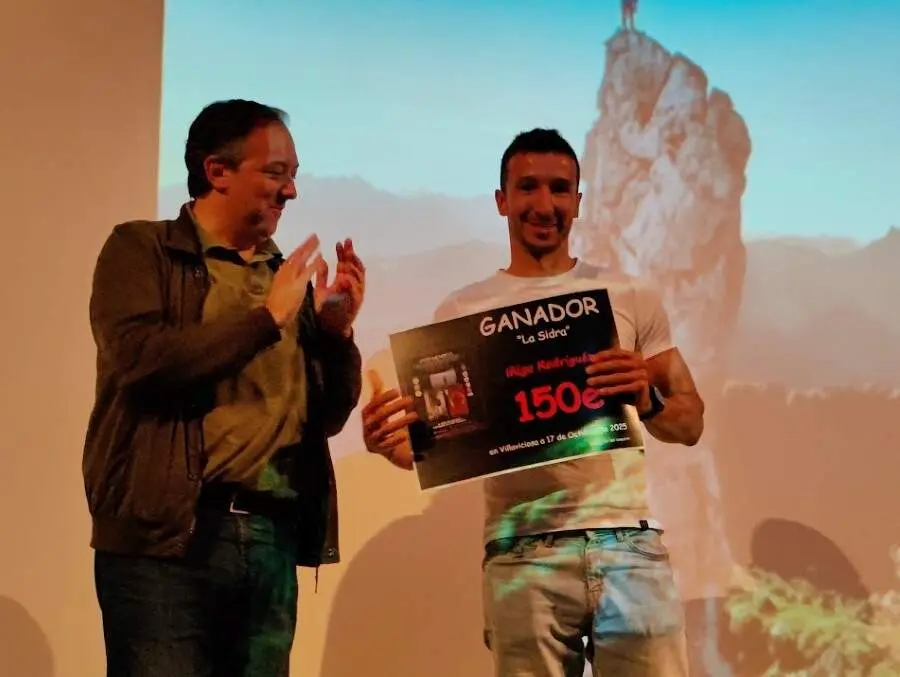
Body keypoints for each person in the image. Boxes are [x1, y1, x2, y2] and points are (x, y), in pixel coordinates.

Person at [361, 128, 704, 676]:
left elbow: (690, 423)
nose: (544, 205)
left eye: (559, 189)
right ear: (501, 200)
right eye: (527, 188)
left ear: (578, 202)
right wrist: (393, 446)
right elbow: (438, 447)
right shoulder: (463, 310)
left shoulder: (629, 294)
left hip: (629, 544)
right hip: (522, 551)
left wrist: (649, 395)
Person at [83, 99, 365, 677]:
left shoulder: (282, 279)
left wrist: (336, 336)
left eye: (293, 176)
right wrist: (265, 321)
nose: (290, 193)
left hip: (270, 540)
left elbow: (327, 416)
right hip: (167, 544)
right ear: (217, 172)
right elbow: (141, 361)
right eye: (275, 173)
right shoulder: (144, 250)